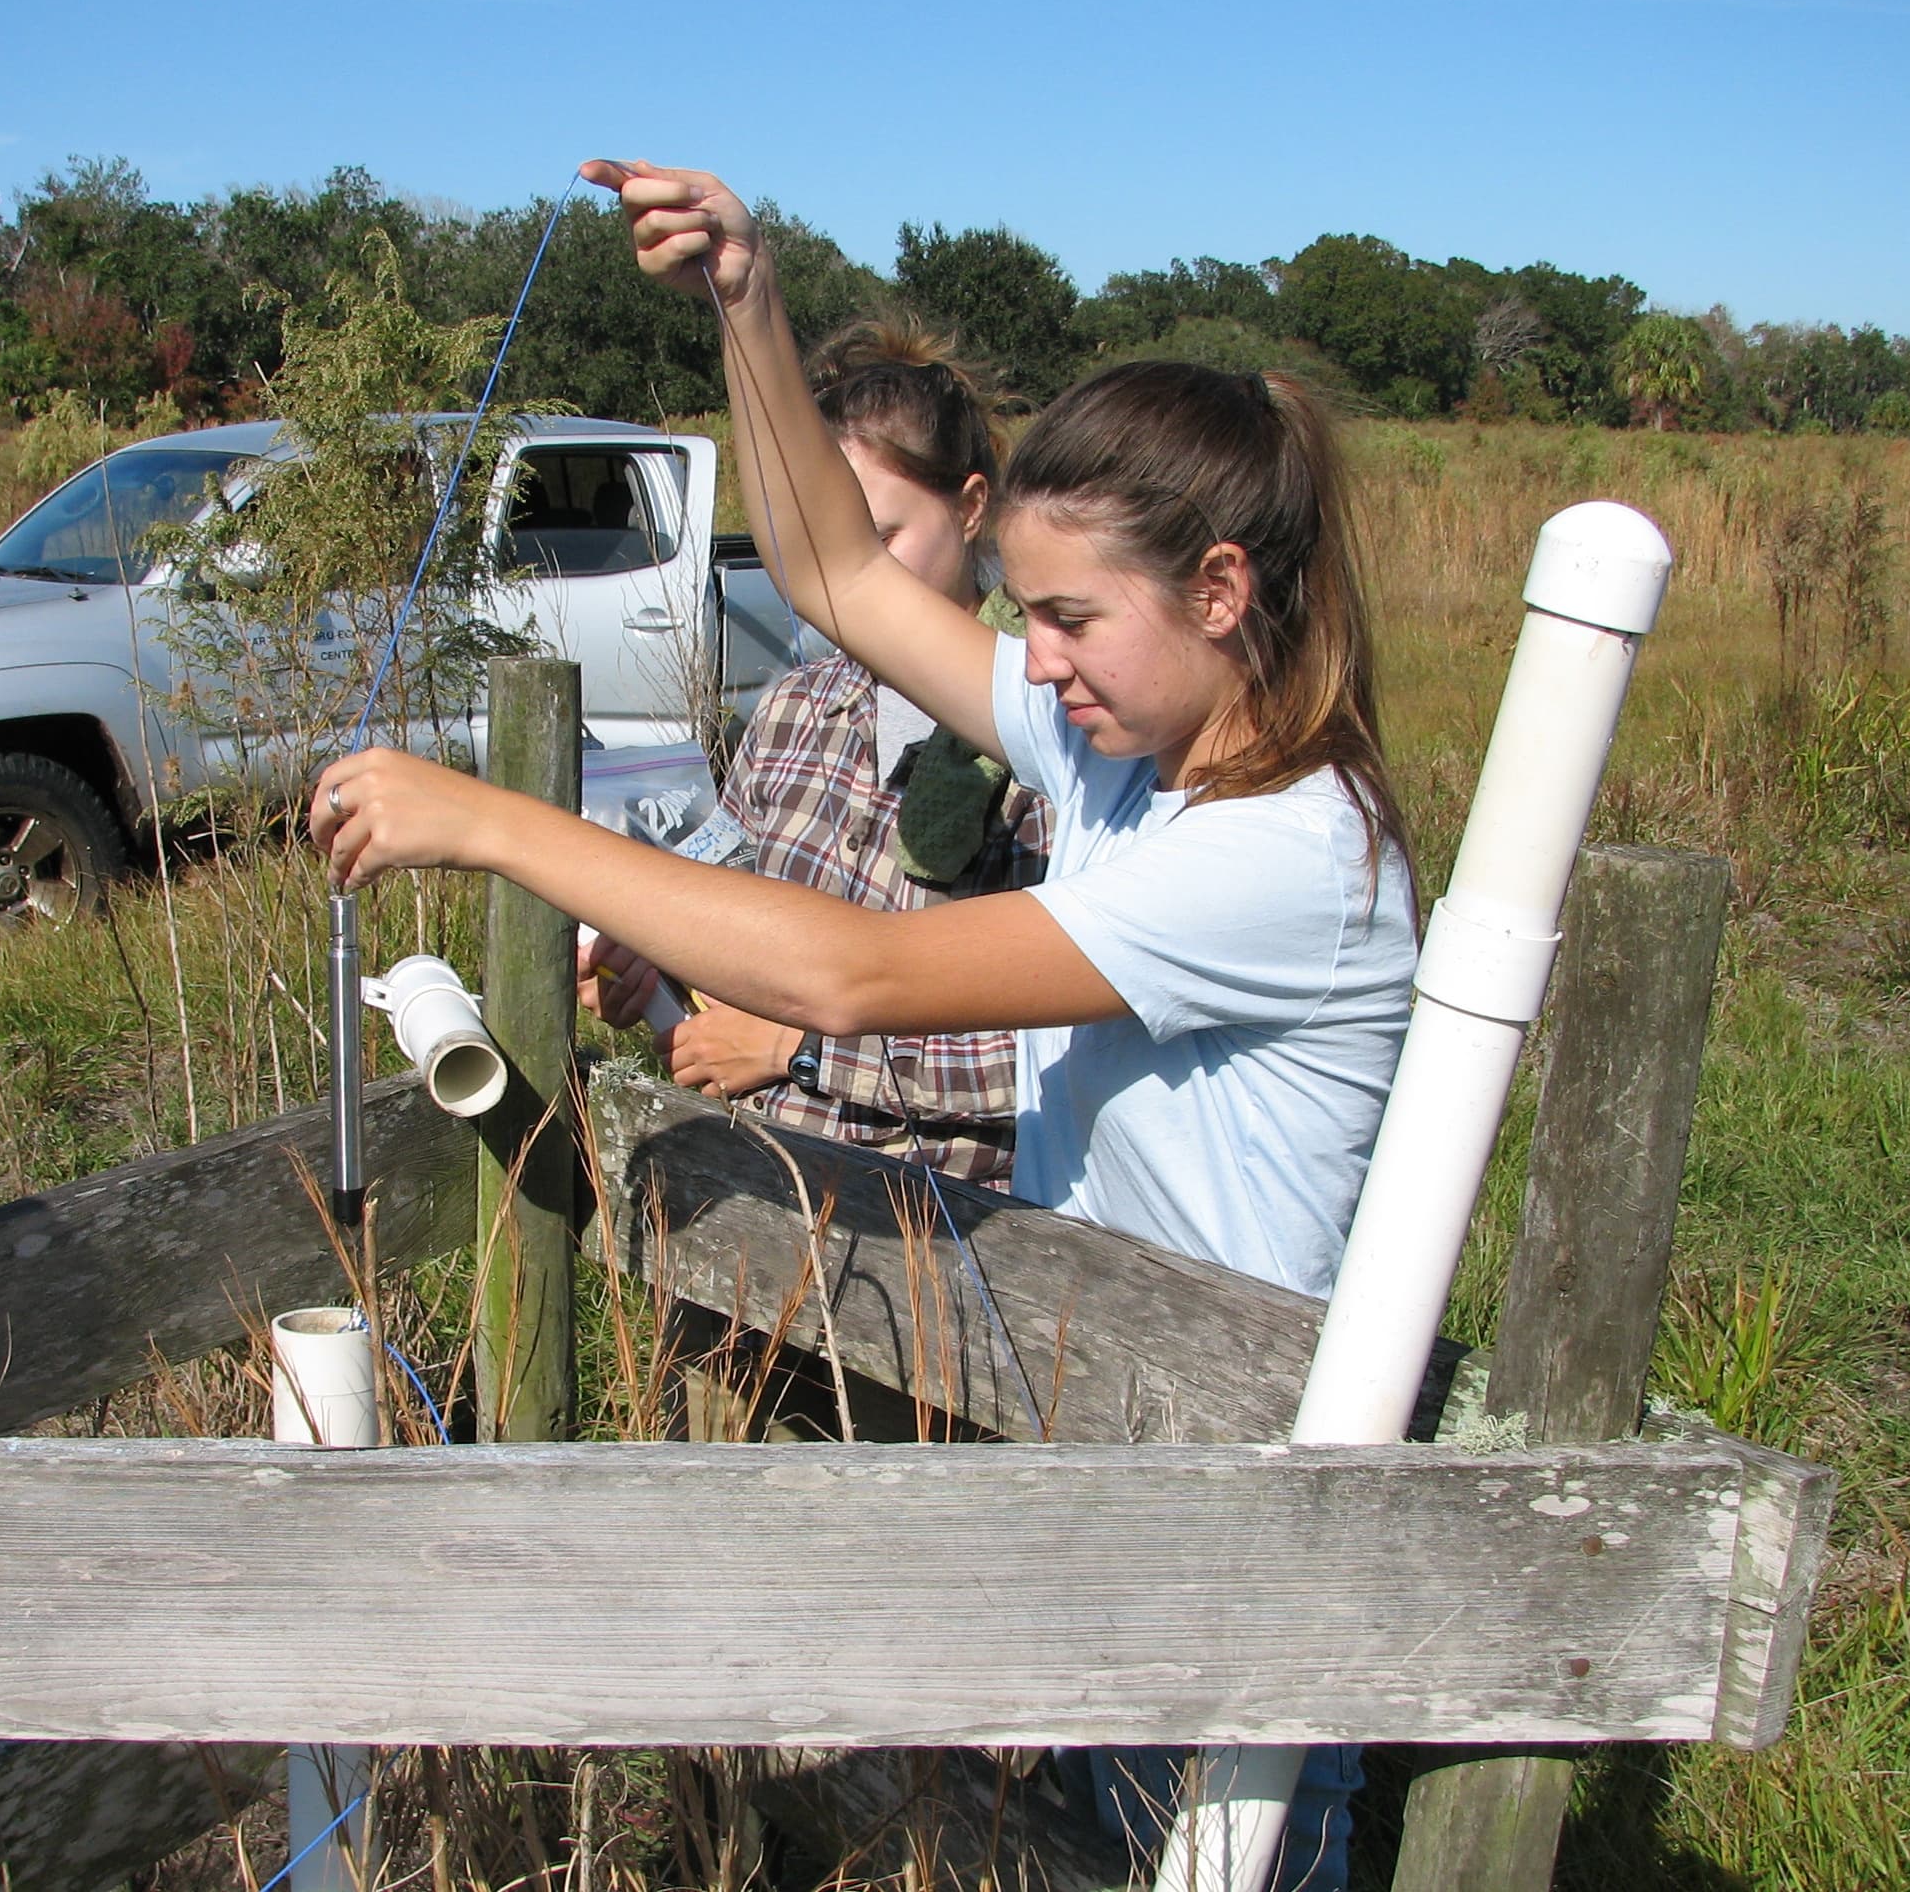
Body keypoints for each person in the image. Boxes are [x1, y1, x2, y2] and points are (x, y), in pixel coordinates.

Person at [310, 160, 1418, 1888]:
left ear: (1219, 591)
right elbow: (831, 568)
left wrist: (492, 822)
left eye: (1066, 615)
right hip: (1103, 1434)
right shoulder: (1128, 757)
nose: (1028, 661)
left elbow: (849, 977)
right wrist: (746, 297)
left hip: (1228, 1511)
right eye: (1022, 610)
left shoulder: (1283, 857)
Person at [583, 316, 1050, 1188]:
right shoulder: (795, 706)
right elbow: (732, 900)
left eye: (881, 538)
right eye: (822, 544)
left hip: (938, 1247)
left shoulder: (1052, 742)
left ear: (974, 505)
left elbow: (1058, 1049)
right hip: (748, 1202)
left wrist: (803, 1049)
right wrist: (654, 956)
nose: (849, 576)